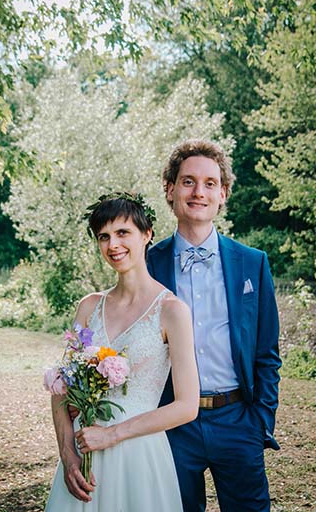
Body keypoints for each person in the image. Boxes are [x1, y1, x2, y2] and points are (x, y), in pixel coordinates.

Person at [147, 139, 281, 512]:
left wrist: (260, 422)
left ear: (222, 194)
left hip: (238, 419)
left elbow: (267, 352)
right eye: (188, 181)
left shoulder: (252, 262)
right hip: (172, 425)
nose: (199, 192)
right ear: (171, 190)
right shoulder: (147, 263)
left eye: (210, 183)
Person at [45, 193, 199, 511]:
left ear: (147, 234)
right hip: (84, 451)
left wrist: (112, 434)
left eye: (122, 232)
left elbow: (187, 406)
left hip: (139, 456)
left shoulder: (172, 311)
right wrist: (68, 453)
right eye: (104, 236)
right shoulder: (88, 306)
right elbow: (61, 387)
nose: (113, 245)